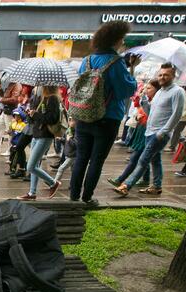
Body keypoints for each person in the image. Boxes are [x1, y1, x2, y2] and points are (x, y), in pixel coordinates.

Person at [69, 20, 138, 206]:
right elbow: (126, 90)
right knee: (96, 161)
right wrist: (132, 70)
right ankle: (87, 197)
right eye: (122, 39)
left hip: (84, 115)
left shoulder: (87, 60)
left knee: (81, 157)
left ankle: (73, 195)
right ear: (116, 40)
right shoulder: (116, 63)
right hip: (107, 118)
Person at [114, 63, 185, 197]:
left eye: (166, 75)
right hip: (149, 132)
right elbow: (152, 109)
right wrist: (142, 101)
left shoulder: (177, 91)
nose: (162, 77)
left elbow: (177, 114)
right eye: (160, 74)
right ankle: (157, 186)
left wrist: (163, 132)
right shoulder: (160, 92)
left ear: (173, 76)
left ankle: (126, 185)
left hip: (159, 134)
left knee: (143, 160)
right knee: (155, 160)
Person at [107, 80, 160, 188]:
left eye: (149, 88)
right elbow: (138, 113)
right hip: (141, 130)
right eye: (146, 88)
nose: (145, 91)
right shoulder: (147, 100)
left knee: (135, 158)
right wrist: (137, 116)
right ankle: (147, 180)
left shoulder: (156, 102)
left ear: (157, 90)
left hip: (149, 133)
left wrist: (142, 101)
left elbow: (151, 114)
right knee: (145, 158)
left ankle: (121, 180)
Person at [17, 86, 62, 200]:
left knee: (30, 166)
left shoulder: (53, 99)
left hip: (45, 136)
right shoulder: (44, 98)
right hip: (37, 134)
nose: (40, 87)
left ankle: (53, 183)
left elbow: (52, 118)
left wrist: (36, 114)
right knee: (35, 165)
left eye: (42, 85)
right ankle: (32, 193)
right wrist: (30, 114)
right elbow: (39, 117)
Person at [0, 81, 21, 155]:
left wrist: (2, 100)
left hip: (11, 111)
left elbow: (14, 99)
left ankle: (10, 150)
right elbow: (4, 96)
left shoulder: (16, 85)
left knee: (11, 131)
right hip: (5, 110)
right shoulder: (9, 84)